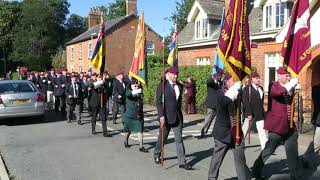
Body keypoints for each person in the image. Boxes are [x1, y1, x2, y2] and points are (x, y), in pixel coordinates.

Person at [251, 67, 303, 179]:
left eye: (289, 76)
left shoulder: (289, 86)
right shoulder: (273, 85)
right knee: (268, 150)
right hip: (277, 126)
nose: (289, 78)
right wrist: (291, 85)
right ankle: (256, 169)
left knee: (292, 151)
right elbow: (278, 93)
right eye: (287, 76)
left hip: (289, 125)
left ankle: (295, 175)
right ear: (279, 76)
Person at [208, 73, 251, 180]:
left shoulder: (239, 92)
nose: (237, 82)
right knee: (216, 161)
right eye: (233, 80)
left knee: (240, 159)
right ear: (226, 82)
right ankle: (211, 178)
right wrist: (234, 90)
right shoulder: (220, 93)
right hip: (223, 133)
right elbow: (223, 102)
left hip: (236, 133)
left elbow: (245, 105)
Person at [153, 67, 192, 170]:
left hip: (177, 117)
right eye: (174, 74)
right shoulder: (162, 86)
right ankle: (157, 153)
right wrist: (161, 115)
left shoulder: (179, 85)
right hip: (165, 117)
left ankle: (182, 162)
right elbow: (158, 102)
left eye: (176, 74)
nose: (176, 76)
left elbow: (187, 88)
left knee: (179, 139)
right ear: (169, 74)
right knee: (162, 138)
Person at [242, 72, 268, 150]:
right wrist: (249, 113)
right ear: (252, 79)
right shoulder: (247, 88)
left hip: (259, 112)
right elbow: (245, 101)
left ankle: (265, 147)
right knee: (245, 129)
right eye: (257, 78)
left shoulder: (261, 88)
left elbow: (261, 101)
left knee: (262, 130)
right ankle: (239, 144)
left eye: (259, 78)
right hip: (250, 113)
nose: (259, 80)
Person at [123, 79, 148, 153]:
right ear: (131, 86)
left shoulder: (140, 93)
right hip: (130, 115)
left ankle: (141, 146)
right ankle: (126, 140)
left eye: (137, 85)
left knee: (140, 130)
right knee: (128, 131)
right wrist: (137, 91)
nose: (136, 86)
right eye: (135, 85)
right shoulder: (128, 91)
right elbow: (128, 94)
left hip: (138, 115)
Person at [199, 73, 223, 139]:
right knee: (209, 118)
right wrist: (213, 77)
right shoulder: (211, 82)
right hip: (211, 104)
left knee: (218, 119)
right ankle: (203, 131)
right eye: (219, 75)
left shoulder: (220, 82)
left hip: (218, 104)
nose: (220, 76)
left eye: (220, 75)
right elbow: (208, 82)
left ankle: (216, 132)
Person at [88, 73, 112, 137]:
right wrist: (99, 82)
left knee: (103, 118)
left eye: (99, 77)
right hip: (95, 103)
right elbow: (92, 86)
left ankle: (105, 132)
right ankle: (93, 129)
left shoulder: (103, 83)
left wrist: (103, 83)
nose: (98, 78)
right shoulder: (92, 83)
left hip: (102, 103)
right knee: (94, 117)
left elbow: (108, 90)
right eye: (97, 77)